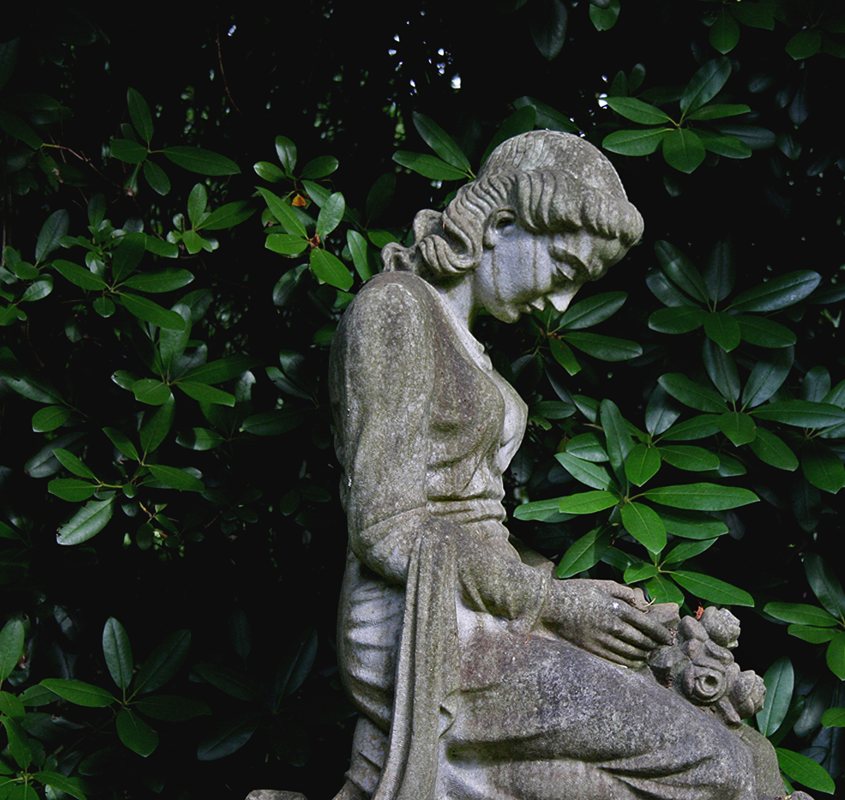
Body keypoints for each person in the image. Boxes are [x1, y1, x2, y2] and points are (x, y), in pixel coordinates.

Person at [328, 131, 777, 800]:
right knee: (723, 768)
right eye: (563, 267)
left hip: (488, 611)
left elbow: (484, 534)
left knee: (743, 751)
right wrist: (551, 601)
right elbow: (386, 528)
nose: (562, 302)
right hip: (420, 631)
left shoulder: (471, 348)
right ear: (502, 226)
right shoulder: (396, 310)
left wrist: (595, 602)